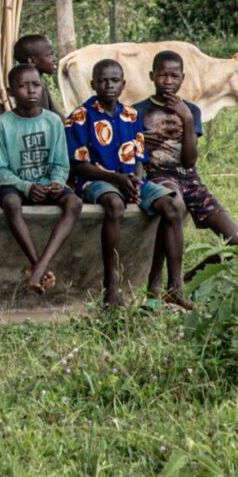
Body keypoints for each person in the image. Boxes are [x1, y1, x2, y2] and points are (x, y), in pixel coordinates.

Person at [63, 57, 182, 307]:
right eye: (103, 81)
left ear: (123, 84)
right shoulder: (80, 117)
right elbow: (79, 165)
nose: (109, 85)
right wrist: (116, 178)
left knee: (171, 208)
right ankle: (112, 286)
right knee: (114, 205)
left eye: (114, 80)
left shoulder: (130, 115)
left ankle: (172, 286)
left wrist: (137, 181)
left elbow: (139, 156)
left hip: (128, 178)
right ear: (93, 84)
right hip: (94, 180)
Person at [136, 47, 238, 308]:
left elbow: (189, 161)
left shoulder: (192, 111)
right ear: (152, 76)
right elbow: (135, 155)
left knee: (236, 241)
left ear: (183, 78)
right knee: (174, 203)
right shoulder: (137, 112)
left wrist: (185, 119)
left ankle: (190, 280)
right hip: (158, 176)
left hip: (189, 178)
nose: (168, 82)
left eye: (174, 77)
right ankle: (172, 286)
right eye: (163, 76)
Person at [0, 59, 80, 294]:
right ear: (11, 92)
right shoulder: (3, 124)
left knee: (74, 202)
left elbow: (62, 164)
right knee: (10, 203)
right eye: (23, 86)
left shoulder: (53, 121)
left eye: (36, 85)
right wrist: (27, 187)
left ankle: (40, 266)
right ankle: (37, 265)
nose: (31, 91)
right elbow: (1, 172)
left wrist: (57, 183)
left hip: (47, 183)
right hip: (16, 184)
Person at [14, 31, 63, 113]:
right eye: (50, 55)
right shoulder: (34, 88)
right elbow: (44, 119)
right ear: (32, 61)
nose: (55, 59)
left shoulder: (39, 82)